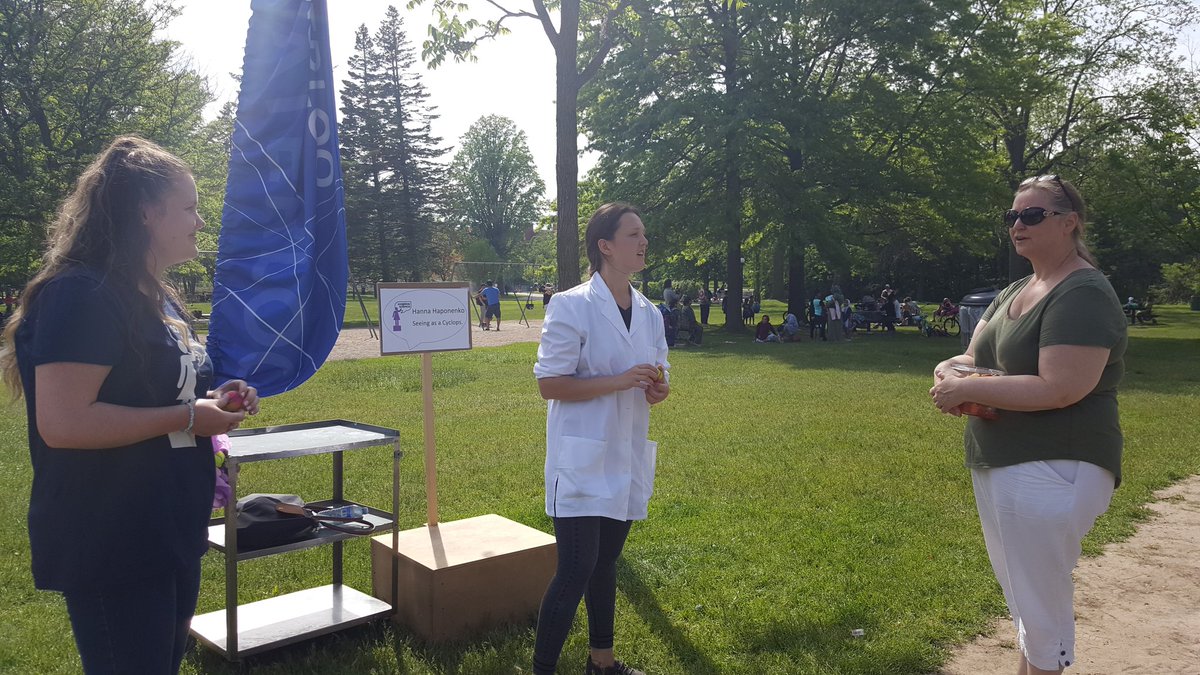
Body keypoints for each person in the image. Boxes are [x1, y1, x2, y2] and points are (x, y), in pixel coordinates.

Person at [0, 136, 260, 674]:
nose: (200, 221)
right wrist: (190, 417)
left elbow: (153, 390)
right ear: (146, 212)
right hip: (112, 539)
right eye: (188, 207)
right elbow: (65, 423)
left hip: (166, 527)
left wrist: (212, 398)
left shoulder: (154, 294)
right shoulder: (84, 294)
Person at [929, 175, 1126, 675]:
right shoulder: (1017, 289)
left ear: (1070, 223)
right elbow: (972, 355)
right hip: (1002, 457)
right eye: (1012, 216)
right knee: (1023, 591)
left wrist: (967, 388)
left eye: (1032, 215)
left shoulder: (1082, 292)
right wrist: (947, 374)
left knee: (1039, 599)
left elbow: (1061, 387)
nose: (1018, 224)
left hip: (1056, 460)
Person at [532, 203, 668, 675]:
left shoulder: (651, 312)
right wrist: (619, 379)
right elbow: (550, 384)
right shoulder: (571, 305)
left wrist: (657, 388)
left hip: (625, 453)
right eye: (634, 234)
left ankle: (602, 662)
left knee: (606, 561)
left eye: (644, 233)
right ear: (605, 246)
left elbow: (655, 381)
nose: (644, 242)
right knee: (575, 569)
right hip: (581, 457)